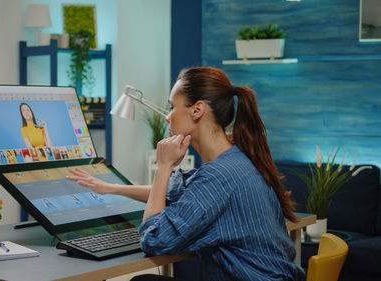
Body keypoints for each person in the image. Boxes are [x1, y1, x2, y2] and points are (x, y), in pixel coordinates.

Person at [66, 66, 305, 281]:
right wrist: (111, 188)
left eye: (172, 107)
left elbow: (153, 239)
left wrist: (163, 167)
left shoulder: (219, 178)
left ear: (197, 110)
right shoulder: (236, 161)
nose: (168, 116)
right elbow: (175, 192)